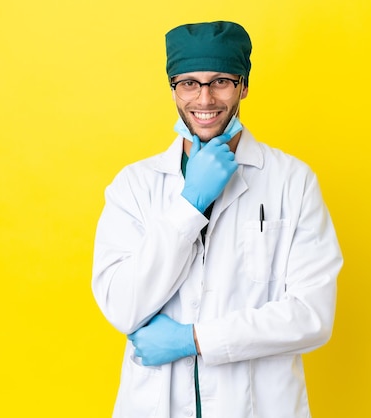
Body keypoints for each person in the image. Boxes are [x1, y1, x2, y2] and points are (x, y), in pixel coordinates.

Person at [92, 21, 343, 418]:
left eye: (220, 81)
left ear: (243, 85)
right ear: (172, 88)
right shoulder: (135, 187)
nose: (204, 98)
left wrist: (195, 339)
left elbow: (312, 315)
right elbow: (122, 305)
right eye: (188, 83)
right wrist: (190, 205)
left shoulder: (291, 181)